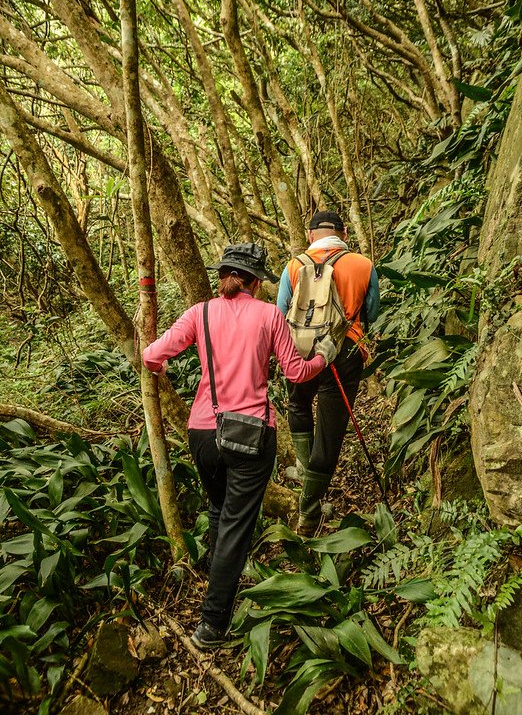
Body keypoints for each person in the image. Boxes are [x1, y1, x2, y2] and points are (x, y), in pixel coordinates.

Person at [142, 243, 337, 649]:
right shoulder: (269, 316)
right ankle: (212, 623)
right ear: (254, 282)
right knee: (234, 525)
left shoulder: (200, 313)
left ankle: (219, 575)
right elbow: (296, 373)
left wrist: (159, 366)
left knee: (218, 509)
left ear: (224, 278)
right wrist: (323, 356)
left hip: (202, 433)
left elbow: (151, 355)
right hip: (251, 434)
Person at [277, 211, 380, 536]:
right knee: (330, 434)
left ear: (310, 236)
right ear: (344, 232)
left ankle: (305, 473)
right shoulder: (363, 264)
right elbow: (373, 312)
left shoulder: (294, 266)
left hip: (301, 351)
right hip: (345, 352)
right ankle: (309, 512)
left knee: (298, 405)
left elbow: (281, 313)